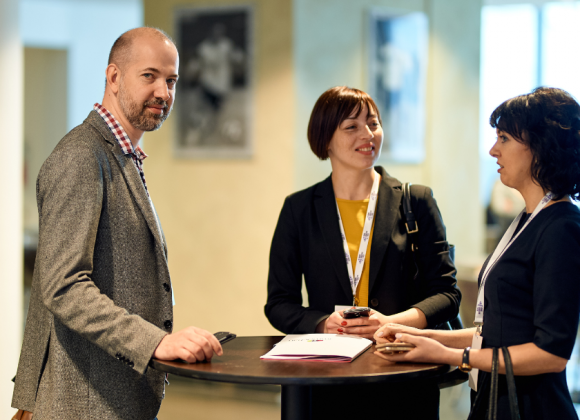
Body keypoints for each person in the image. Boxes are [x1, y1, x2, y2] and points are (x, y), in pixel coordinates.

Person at [11, 27, 222, 420]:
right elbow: (64, 287)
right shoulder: (80, 156)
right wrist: (155, 342)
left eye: (171, 80)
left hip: (114, 395)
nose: (163, 92)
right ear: (113, 77)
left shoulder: (122, 156)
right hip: (82, 401)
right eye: (149, 76)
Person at [375, 87, 580, 419]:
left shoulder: (561, 228)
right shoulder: (527, 220)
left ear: (540, 146)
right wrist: (420, 336)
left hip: (531, 408)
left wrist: (451, 355)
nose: (493, 150)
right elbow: (498, 332)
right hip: (495, 398)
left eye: (504, 138)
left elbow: (550, 354)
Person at [264, 86, 461, 418]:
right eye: (351, 126)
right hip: (329, 380)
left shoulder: (416, 201)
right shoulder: (299, 209)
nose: (368, 134)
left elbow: (446, 294)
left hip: (404, 372)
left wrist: (391, 323)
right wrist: (323, 323)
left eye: (373, 123)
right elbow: (279, 304)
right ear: (325, 139)